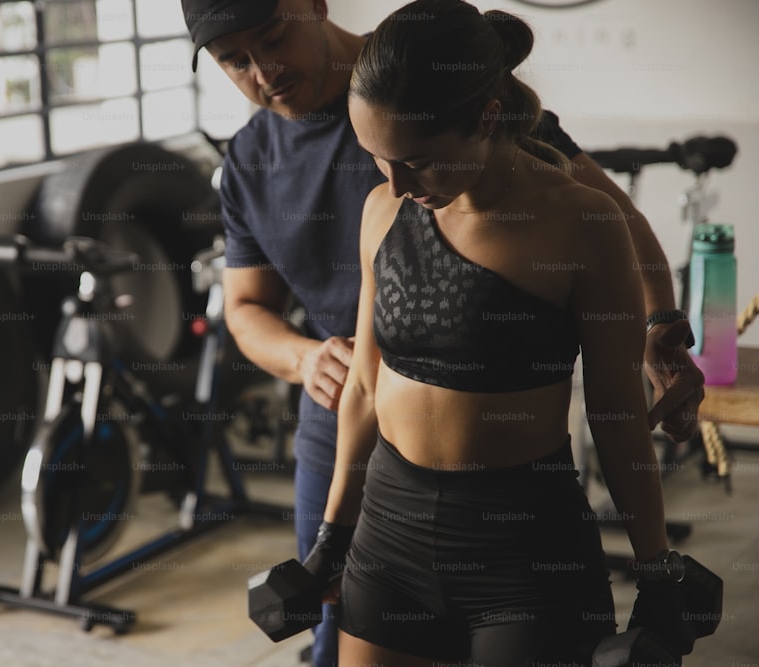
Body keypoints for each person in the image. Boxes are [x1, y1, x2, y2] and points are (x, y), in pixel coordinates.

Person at [180, 0, 703, 664]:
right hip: (384, 514)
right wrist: (329, 541)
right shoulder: (347, 192)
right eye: (377, 158)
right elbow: (356, 382)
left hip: (520, 537)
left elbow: (614, 407)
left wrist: (655, 563)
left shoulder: (562, 205)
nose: (397, 182)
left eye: (418, 161)